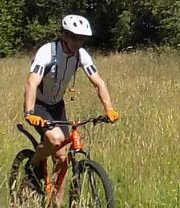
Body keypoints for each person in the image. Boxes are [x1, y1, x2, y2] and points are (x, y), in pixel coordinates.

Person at [22, 14, 120, 196]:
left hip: (57, 106)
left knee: (62, 159)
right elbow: (31, 83)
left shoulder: (81, 56)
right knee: (55, 139)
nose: (77, 42)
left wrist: (109, 109)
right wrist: (29, 112)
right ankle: (32, 166)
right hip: (39, 104)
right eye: (74, 37)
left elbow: (98, 82)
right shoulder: (47, 52)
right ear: (64, 35)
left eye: (81, 39)